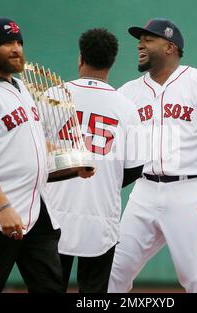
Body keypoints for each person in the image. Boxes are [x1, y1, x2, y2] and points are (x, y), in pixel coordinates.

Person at [0, 17, 92, 293]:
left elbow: (35, 148)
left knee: (52, 288)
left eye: (19, 42)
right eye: (8, 43)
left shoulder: (20, 88)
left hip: (35, 213)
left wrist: (72, 165)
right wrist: (2, 208)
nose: (16, 48)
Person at [108, 18, 197, 293]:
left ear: (170, 46)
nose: (140, 44)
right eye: (140, 40)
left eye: (148, 39)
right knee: (113, 272)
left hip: (189, 190)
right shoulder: (129, 92)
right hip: (143, 192)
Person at [44, 28, 144, 293]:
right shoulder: (126, 108)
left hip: (53, 215)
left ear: (80, 58)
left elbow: (33, 153)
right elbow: (134, 169)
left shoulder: (51, 95)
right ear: (112, 61)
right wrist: (105, 180)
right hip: (101, 217)